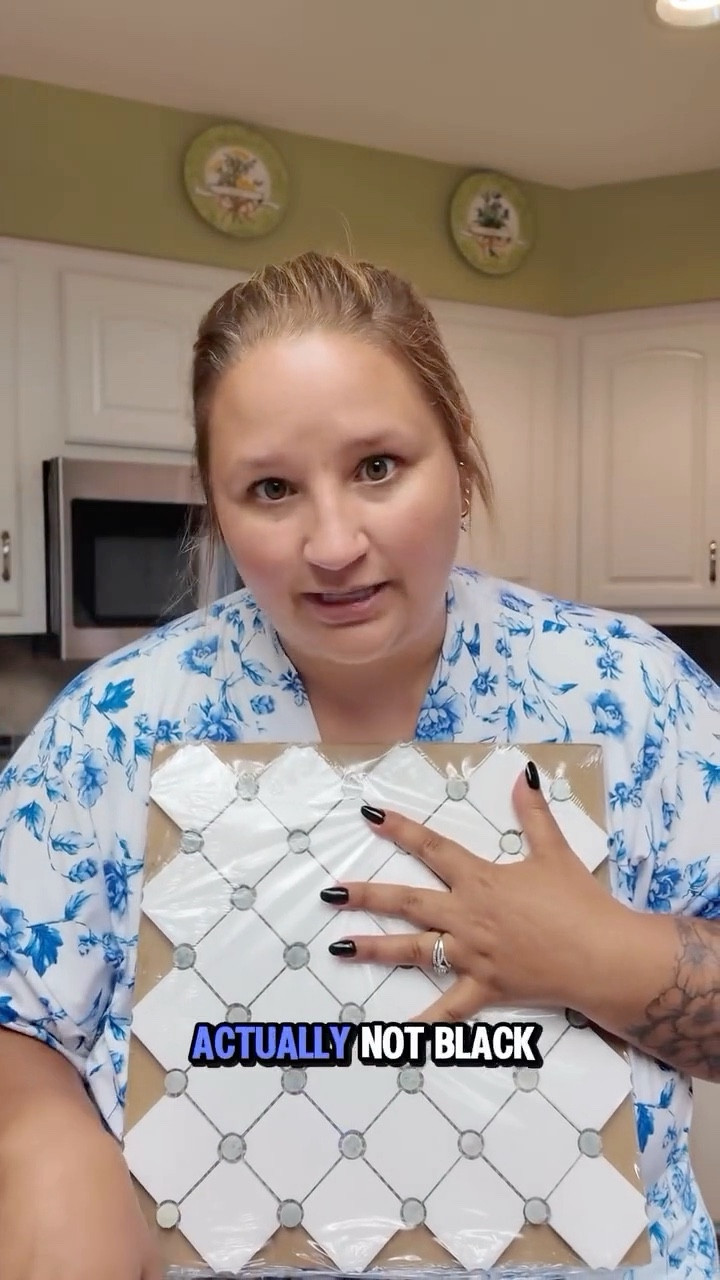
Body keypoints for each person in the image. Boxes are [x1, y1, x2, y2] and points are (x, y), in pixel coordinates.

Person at [0, 250, 718, 1280]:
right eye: (271, 488)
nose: (332, 542)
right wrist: (39, 1139)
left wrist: (596, 953)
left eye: (378, 466)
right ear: (216, 502)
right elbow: (19, 1012)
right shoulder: (114, 729)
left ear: (460, 460)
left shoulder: (631, 693)